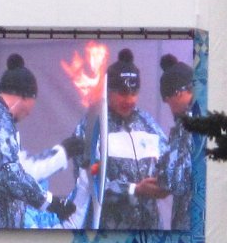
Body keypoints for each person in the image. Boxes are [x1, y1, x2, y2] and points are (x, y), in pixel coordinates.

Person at [0, 53, 81, 229]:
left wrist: (61, 153)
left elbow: (22, 169)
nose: (30, 112)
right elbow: (8, 173)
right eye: (32, 103)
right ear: (25, 97)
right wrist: (50, 203)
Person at [69, 49, 170, 230]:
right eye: (123, 93)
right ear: (109, 91)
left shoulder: (148, 124)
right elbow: (88, 182)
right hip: (107, 237)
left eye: (134, 92)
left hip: (149, 236)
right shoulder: (92, 126)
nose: (129, 99)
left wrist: (165, 183)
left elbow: (170, 162)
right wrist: (134, 189)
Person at [158, 54, 194, 230]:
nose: (170, 109)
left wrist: (157, 179)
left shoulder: (187, 126)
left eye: (168, 102)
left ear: (178, 93)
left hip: (191, 226)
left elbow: (175, 182)